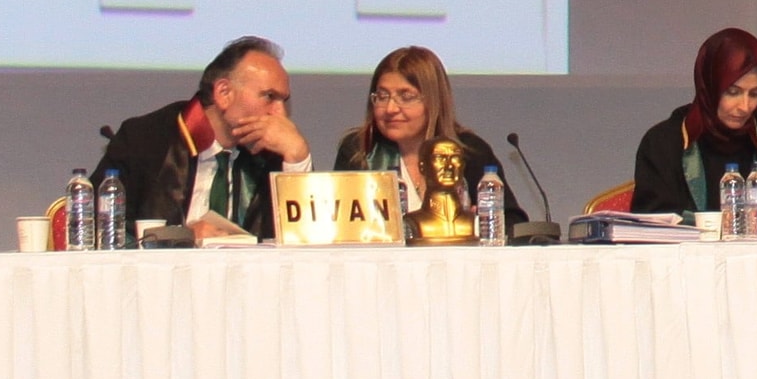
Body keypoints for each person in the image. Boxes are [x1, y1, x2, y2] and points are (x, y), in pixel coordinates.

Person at [90, 36, 314, 242]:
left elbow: (305, 240)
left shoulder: (274, 154)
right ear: (224, 93)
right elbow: (99, 228)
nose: (280, 114)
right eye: (269, 96)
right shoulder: (145, 139)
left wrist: (297, 157)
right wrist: (182, 236)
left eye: (284, 101)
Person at [615, 26, 757, 225]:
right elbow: (652, 220)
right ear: (709, 86)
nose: (744, 106)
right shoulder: (664, 142)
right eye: (733, 92)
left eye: (754, 94)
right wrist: (718, 225)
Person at [329, 44, 523, 226]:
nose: (390, 108)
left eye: (406, 97)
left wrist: (481, 223)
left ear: (433, 101)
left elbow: (514, 222)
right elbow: (338, 222)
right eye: (382, 96)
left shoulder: (469, 151)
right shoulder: (361, 150)